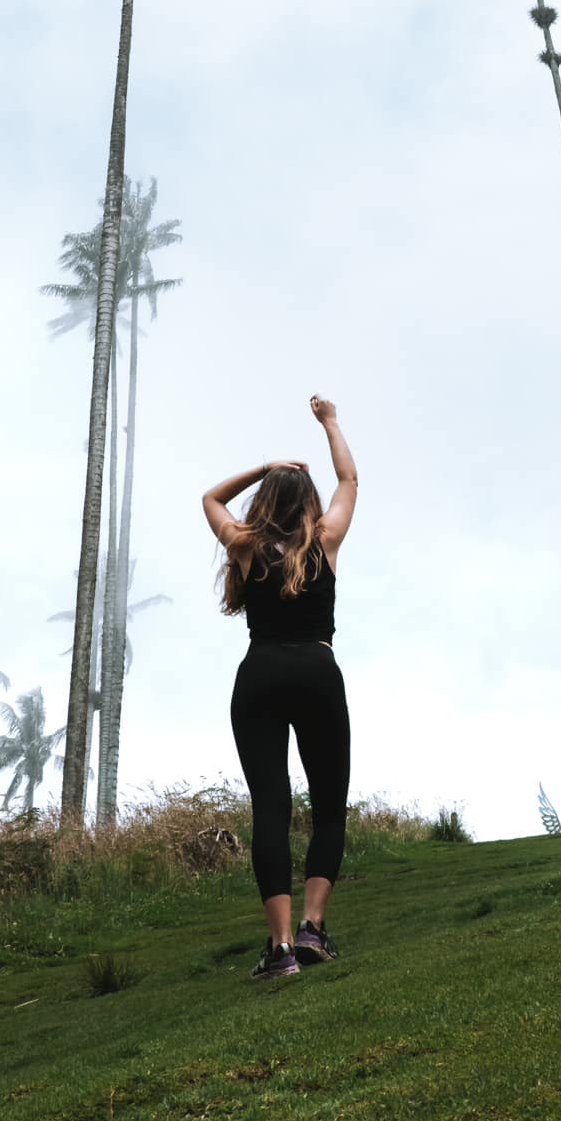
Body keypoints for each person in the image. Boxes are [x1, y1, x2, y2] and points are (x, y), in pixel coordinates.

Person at [203, 394, 358, 979]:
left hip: (260, 675)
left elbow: (211, 498)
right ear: (310, 503)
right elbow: (349, 479)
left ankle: (281, 947)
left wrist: (266, 468)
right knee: (328, 808)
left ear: (265, 501)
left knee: (270, 808)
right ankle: (314, 928)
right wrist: (330, 422)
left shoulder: (245, 546)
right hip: (318, 671)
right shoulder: (326, 539)